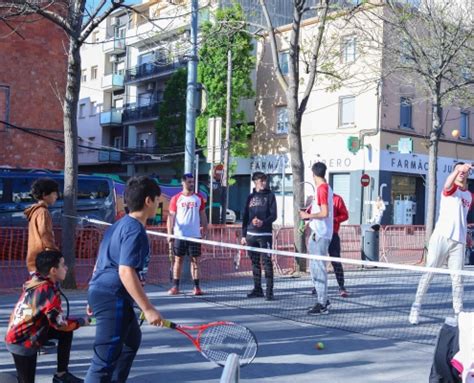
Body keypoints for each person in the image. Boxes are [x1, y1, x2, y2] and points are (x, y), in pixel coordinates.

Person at [86, 176, 163, 382]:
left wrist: (92, 296)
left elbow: (99, 262)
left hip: (103, 292)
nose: (157, 204)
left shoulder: (118, 225)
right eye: (157, 200)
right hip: (112, 297)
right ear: (148, 201)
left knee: (131, 341)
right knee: (103, 362)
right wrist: (147, 308)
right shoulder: (134, 230)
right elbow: (125, 271)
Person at [5, 250, 89, 383]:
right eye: (63, 265)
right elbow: (59, 324)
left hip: (31, 331)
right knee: (26, 380)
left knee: (66, 334)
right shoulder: (48, 293)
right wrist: (81, 321)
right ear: (53, 271)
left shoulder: (38, 280)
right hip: (22, 341)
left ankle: (61, 375)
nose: (66, 267)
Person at [409, 162, 473, 325]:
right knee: (429, 274)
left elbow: (462, 217)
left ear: (467, 175)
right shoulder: (450, 189)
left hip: (458, 242)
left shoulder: (469, 196)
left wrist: (466, 236)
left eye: (464, 172)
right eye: (458, 171)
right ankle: (416, 307)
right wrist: (459, 168)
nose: (461, 173)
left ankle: (458, 313)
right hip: (441, 238)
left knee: (458, 279)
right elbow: (447, 184)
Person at [301, 162, 334, 315]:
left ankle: (322, 303)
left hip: (320, 235)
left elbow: (324, 213)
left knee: (318, 268)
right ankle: (323, 300)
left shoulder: (322, 189)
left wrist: (308, 216)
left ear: (313, 174)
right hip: (320, 233)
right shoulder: (325, 188)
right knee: (315, 268)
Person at [167, 173, 208, 296]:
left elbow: (203, 215)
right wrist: (170, 234)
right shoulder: (176, 198)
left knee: (195, 261)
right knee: (178, 260)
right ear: (183, 182)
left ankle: (196, 287)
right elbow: (171, 217)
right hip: (180, 235)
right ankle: (175, 287)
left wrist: (205, 229)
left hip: (195, 236)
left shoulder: (198, 198)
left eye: (192, 182)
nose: (191, 184)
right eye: (189, 182)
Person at [241, 172, 277, 301]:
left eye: (265, 180)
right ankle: (257, 289)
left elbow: (274, 215)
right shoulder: (250, 197)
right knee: (255, 263)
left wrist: (263, 222)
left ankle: (269, 291)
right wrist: (243, 235)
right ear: (255, 182)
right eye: (261, 181)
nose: (263, 183)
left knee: (267, 263)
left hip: (265, 235)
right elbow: (245, 217)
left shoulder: (270, 196)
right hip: (251, 235)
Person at [24, 178, 60, 274]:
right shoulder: (43, 212)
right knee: (45, 288)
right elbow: (45, 234)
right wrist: (54, 251)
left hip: (34, 259)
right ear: (44, 195)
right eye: (54, 193)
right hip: (43, 261)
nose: (56, 196)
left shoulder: (35, 211)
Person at [330, 193, 349, 297]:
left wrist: (335, 219)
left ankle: (341, 286)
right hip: (320, 235)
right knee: (318, 262)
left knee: (336, 261)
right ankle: (317, 286)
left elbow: (345, 215)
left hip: (333, 234)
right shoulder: (315, 197)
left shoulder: (337, 199)